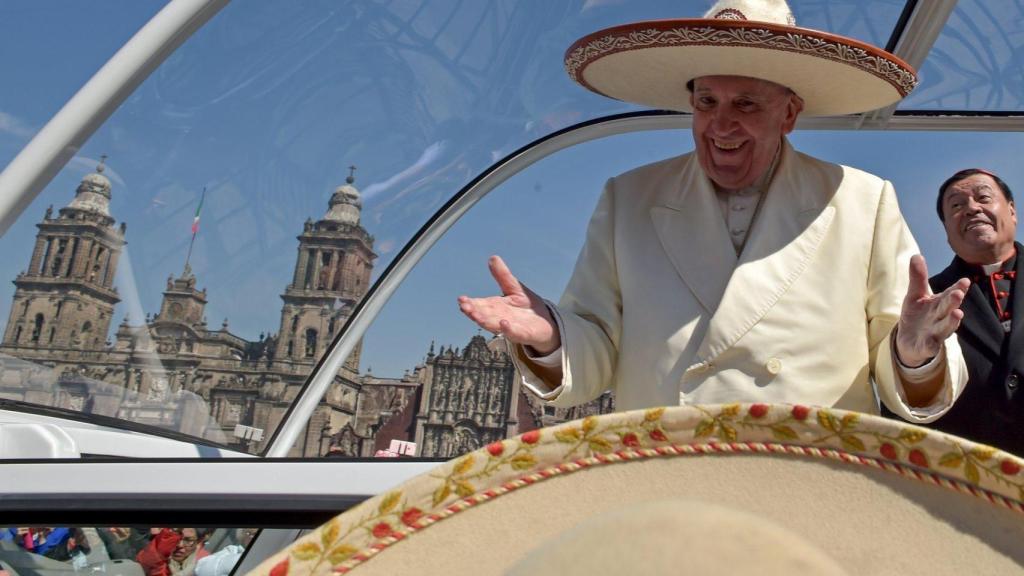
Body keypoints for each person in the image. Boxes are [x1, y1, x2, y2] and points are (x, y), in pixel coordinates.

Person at [457, 0, 969, 423]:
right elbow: (595, 356)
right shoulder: (627, 198)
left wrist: (914, 351)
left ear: (789, 114)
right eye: (707, 103)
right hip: (670, 481)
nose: (720, 126)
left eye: (745, 105)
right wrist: (550, 337)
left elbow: (901, 361)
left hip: (813, 482)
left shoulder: (864, 199)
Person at [923, 169, 1024, 454]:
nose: (971, 208)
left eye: (983, 197)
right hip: (969, 470)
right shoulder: (929, 299)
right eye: (956, 206)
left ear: (1012, 211)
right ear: (946, 233)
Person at [136, 528, 210, 576]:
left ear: (199, 541)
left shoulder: (203, 567)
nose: (180, 545)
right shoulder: (157, 557)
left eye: (188, 540)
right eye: (175, 538)